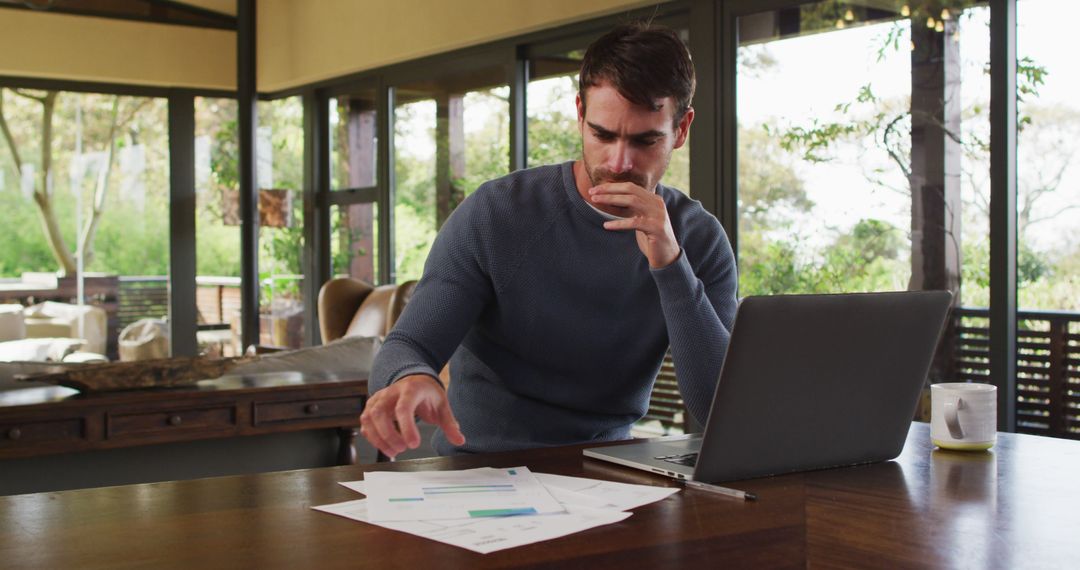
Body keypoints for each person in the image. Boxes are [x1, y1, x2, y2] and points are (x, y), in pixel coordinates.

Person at [360, 22, 738, 458]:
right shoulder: (497, 214)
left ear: (682, 129)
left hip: (614, 471)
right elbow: (407, 345)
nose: (619, 161)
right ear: (580, 113)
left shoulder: (699, 239)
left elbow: (719, 409)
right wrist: (411, 378)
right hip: (482, 468)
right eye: (602, 134)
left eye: (645, 140)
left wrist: (671, 267)